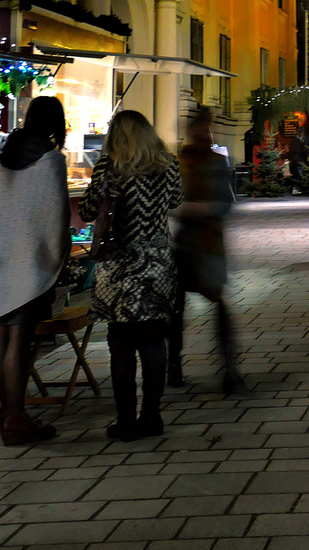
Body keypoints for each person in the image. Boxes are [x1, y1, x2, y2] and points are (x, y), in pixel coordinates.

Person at [0, 95, 69, 446]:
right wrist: (59, 256)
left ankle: (10, 413)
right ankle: (15, 416)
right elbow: (55, 217)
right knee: (19, 338)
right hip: (29, 260)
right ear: (55, 122)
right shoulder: (52, 160)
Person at [81, 110, 184, 441]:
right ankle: (152, 416)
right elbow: (175, 201)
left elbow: (86, 212)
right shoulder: (167, 164)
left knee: (121, 344)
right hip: (156, 262)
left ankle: (126, 420)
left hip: (120, 265)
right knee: (154, 339)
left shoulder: (110, 166)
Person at [169, 106, 245, 394]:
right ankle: (173, 365)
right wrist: (182, 209)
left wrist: (207, 208)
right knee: (175, 307)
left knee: (219, 302)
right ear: (192, 128)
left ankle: (229, 367)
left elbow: (227, 201)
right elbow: (170, 199)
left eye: (207, 126)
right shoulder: (179, 161)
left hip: (210, 242)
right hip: (185, 242)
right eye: (200, 126)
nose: (205, 131)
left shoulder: (216, 160)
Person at [287, 124, 309, 195]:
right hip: (298, 160)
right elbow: (297, 150)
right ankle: (296, 188)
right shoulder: (297, 141)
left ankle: (297, 188)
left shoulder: (297, 140)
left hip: (299, 160)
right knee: (298, 174)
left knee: (298, 174)